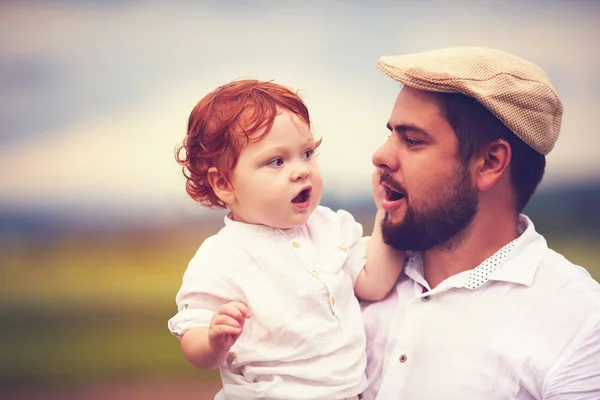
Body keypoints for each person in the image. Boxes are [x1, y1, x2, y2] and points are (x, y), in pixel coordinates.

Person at [362, 46, 600, 399]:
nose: (380, 155)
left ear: (490, 162)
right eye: (390, 134)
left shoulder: (580, 323)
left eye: (412, 140)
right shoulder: (346, 273)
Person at [167, 79, 404, 400]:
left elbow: (373, 283)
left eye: (307, 153)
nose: (301, 170)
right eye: (276, 161)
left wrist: (388, 214)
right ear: (224, 183)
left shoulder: (330, 228)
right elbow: (194, 343)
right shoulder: (222, 257)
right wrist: (212, 340)